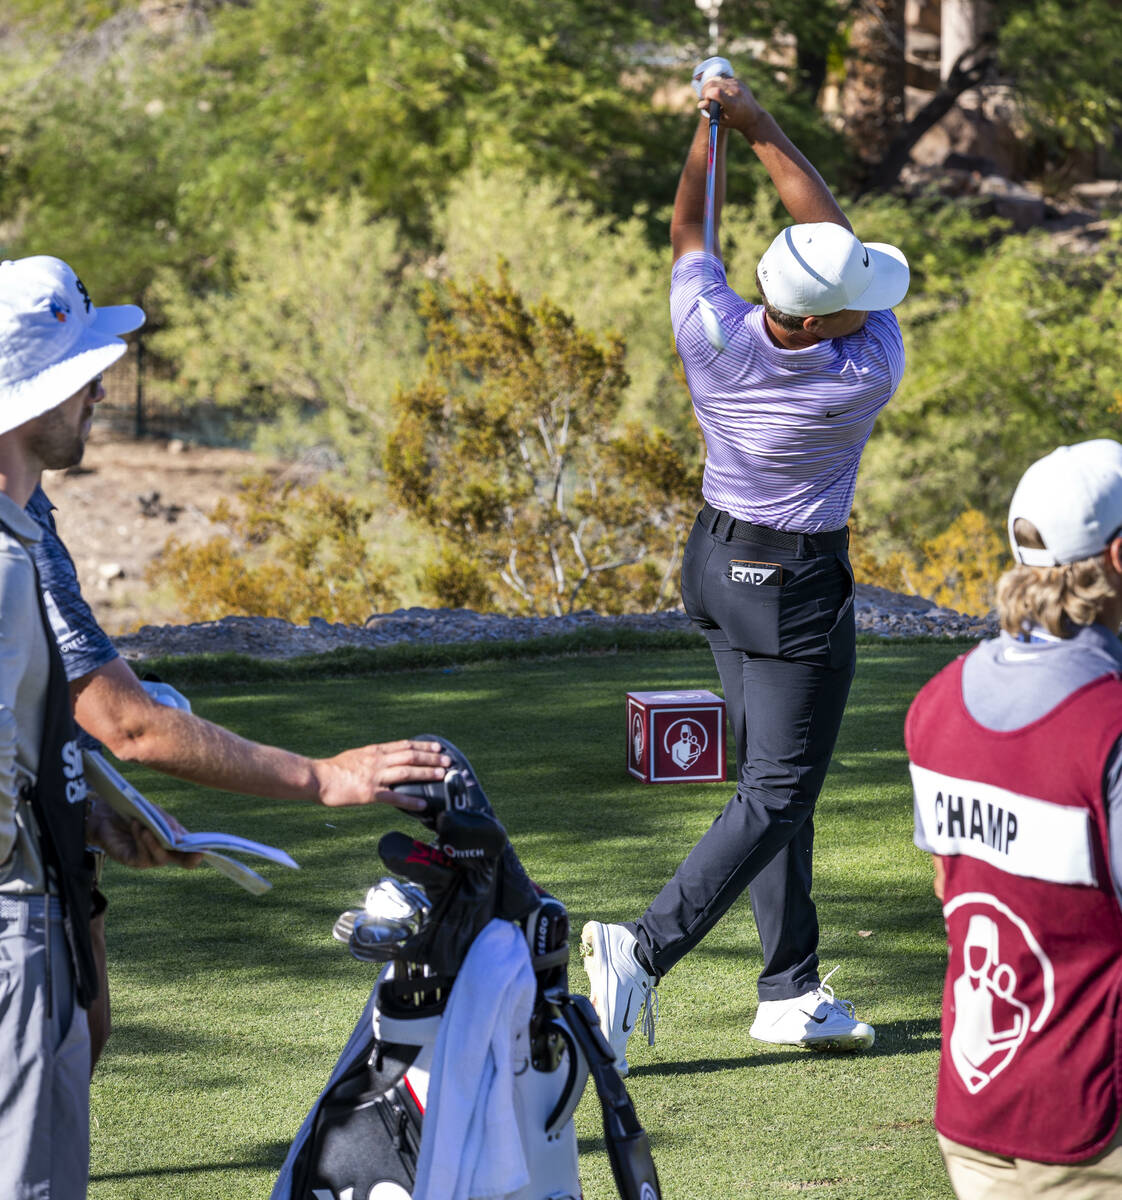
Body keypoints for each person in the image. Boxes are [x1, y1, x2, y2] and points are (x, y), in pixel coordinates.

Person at [0, 255, 450, 1196]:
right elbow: (129, 725)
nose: (98, 392)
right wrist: (323, 778)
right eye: (79, 374)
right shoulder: (13, 555)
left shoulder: (26, 516)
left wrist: (80, 811)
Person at [581, 66, 910, 1074]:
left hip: (716, 566)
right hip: (797, 589)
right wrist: (757, 123)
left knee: (781, 780)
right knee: (777, 786)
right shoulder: (861, 372)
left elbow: (692, 237)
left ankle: (790, 987)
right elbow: (830, 225)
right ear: (815, 322)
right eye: (851, 299)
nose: (870, 304)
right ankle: (640, 949)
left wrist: (711, 131)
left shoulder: (711, 328)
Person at [907, 439, 1122, 1198]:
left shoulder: (936, 702)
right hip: (1091, 1132)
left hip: (975, 1116)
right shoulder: (1110, 725)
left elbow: (949, 887)